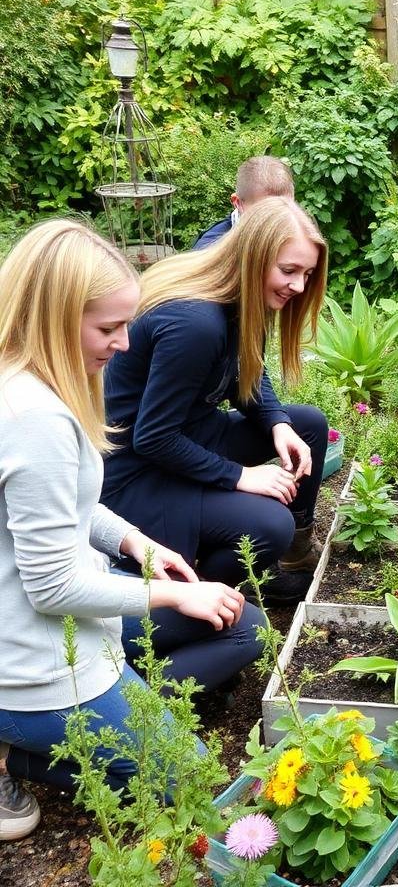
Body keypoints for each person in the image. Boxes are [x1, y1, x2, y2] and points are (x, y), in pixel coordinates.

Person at [0, 220, 253, 838]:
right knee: (195, 783)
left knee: (242, 625)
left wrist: (136, 543)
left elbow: (71, 503)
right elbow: (52, 588)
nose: (124, 343)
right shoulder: (33, 417)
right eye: (108, 328)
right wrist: (171, 594)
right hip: (34, 665)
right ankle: (25, 751)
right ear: (54, 319)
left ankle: (113, 714)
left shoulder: (35, 383)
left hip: (59, 625)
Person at [102, 197, 329, 606]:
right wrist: (240, 476)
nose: (298, 286)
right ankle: (199, 593)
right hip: (137, 475)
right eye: (288, 270)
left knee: (307, 426)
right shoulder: (196, 324)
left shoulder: (240, 299)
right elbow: (152, 438)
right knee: (270, 525)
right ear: (253, 257)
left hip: (188, 434)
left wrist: (277, 423)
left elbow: (246, 371)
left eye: (307, 274)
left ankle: (281, 558)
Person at [193, 155, 294, 249]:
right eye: (265, 212)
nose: (276, 219)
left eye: (284, 208)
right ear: (238, 203)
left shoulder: (298, 234)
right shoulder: (210, 249)